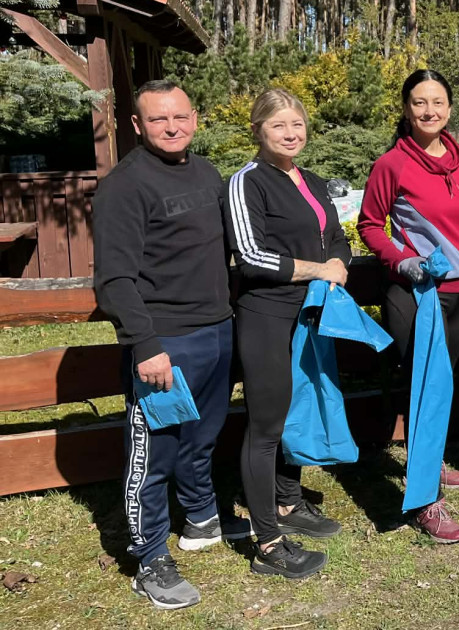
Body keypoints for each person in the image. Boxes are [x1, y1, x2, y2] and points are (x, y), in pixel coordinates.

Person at [93, 80, 246, 610]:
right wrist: (145, 344)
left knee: (202, 436)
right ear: (137, 125)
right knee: (154, 453)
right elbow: (114, 279)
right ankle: (150, 554)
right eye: (158, 120)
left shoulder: (206, 173)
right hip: (166, 343)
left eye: (180, 116)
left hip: (218, 331)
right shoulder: (124, 186)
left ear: (195, 117)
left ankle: (201, 517)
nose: (172, 127)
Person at [226, 89, 351, 578]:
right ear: (258, 130)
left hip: (310, 316)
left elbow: (336, 236)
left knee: (297, 407)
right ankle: (268, 545)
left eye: (297, 124)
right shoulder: (247, 183)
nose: (291, 133)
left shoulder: (314, 181)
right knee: (266, 426)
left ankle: (287, 501)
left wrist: (337, 261)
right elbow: (252, 256)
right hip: (266, 316)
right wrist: (320, 269)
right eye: (279, 126)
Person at [358, 69, 459, 543]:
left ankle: (427, 461)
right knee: (423, 386)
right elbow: (371, 224)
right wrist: (403, 261)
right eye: (418, 102)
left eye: (437, 102)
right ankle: (427, 499)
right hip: (417, 295)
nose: (428, 111)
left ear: (449, 108)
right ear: (406, 109)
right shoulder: (392, 164)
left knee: (442, 383)